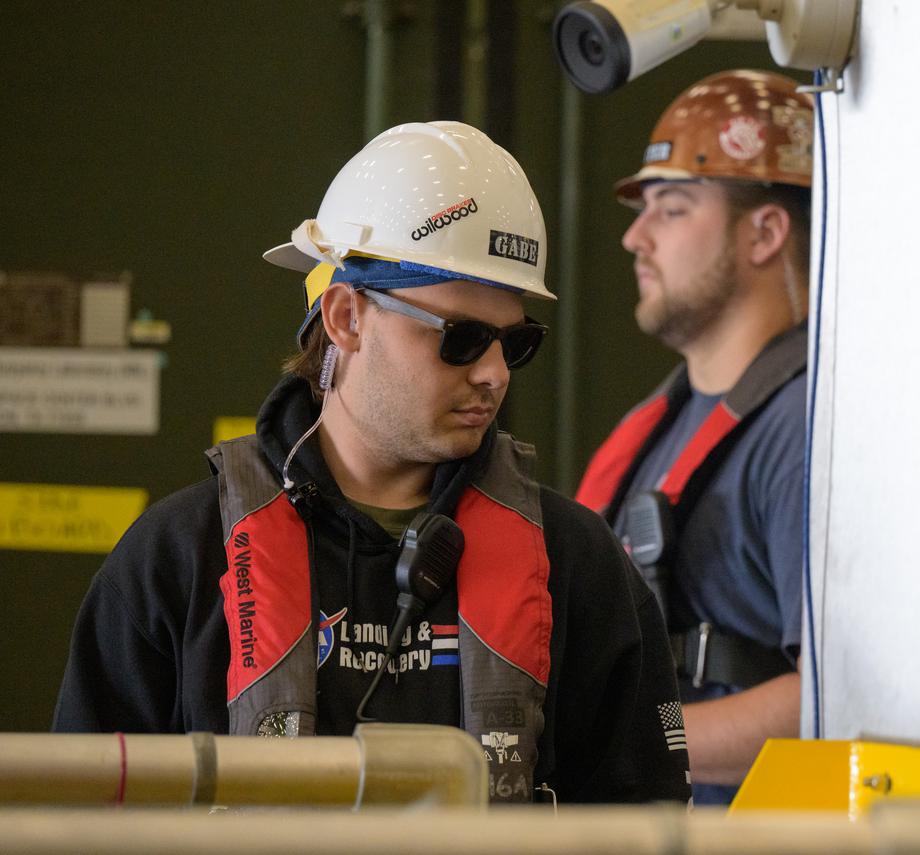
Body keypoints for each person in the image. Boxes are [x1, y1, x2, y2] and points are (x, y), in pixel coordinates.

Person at [53, 121, 691, 805]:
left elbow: (648, 823)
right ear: (346, 317)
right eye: (462, 337)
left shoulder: (577, 565)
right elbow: (81, 818)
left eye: (515, 343)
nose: (495, 374)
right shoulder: (178, 558)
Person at [576, 70, 813, 805]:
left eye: (672, 210)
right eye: (643, 210)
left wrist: (622, 738)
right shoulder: (662, 424)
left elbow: (837, 700)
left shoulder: (802, 431)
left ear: (765, 233)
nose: (635, 237)